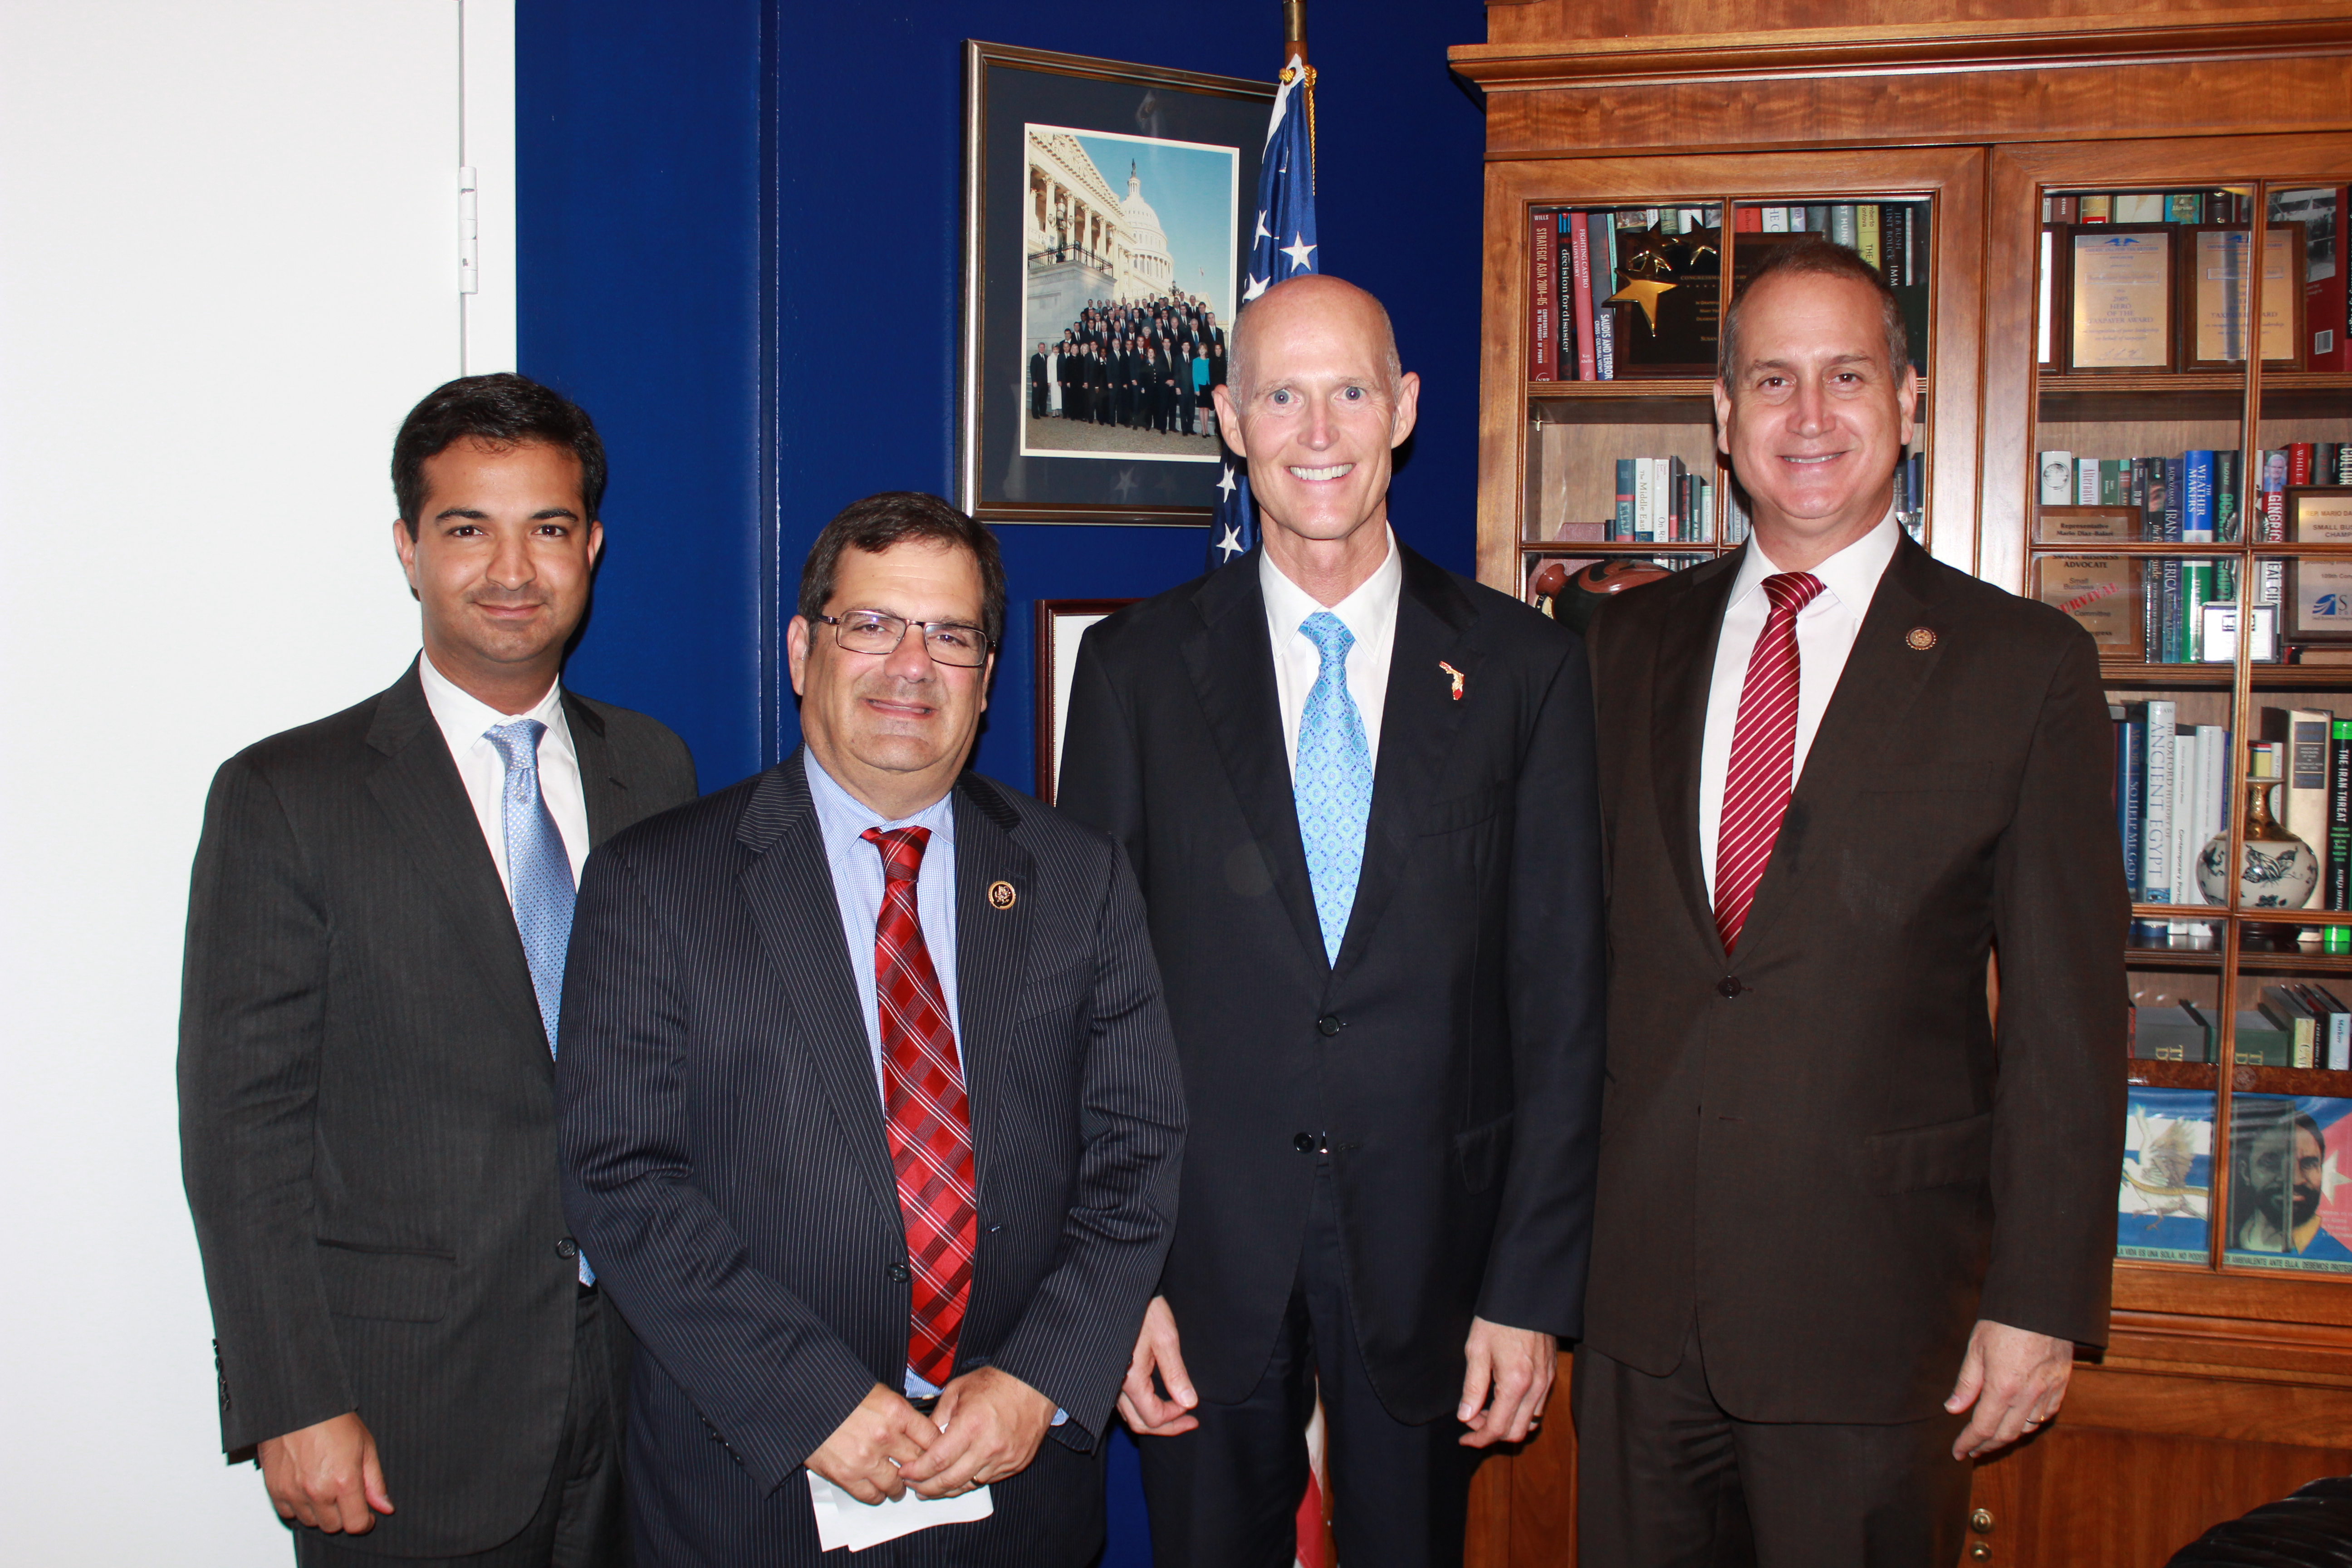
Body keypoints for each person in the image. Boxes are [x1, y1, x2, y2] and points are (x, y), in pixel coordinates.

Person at [1577, 235, 2127, 1565]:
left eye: (1847, 378)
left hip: (1878, 1329)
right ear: (1722, 417)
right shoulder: (1613, 649)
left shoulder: (2025, 668)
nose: (1809, 418)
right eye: (1771, 381)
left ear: (1911, 402)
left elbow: (2068, 1014)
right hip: (1642, 1320)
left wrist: (2040, 1303)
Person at [1058, 274, 1606, 1568]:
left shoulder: (1527, 672)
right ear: (1229, 419)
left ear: (1405, 409)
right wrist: (1113, 1278)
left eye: (1350, 391)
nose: (1319, 432)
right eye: (1282, 395)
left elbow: (1565, 1000)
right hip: (1198, 1259)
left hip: (1438, 1255)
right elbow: (1088, 1001)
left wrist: (1532, 1293)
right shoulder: (1136, 672)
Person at [555, 492, 1187, 1564]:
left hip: (1014, 1487)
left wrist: (1041, 1372)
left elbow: (1136, 1154)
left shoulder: (1078, 878)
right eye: (871, 624)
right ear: (803, 649)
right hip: (752, 1485)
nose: (911, 664)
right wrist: (809, 1400)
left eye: (950, 634)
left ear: (987, 678)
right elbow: (622, 1176)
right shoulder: (657, 882)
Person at [179, 373, 699, 1565]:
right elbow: (240, 1131)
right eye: (469, 528)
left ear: (593, 546)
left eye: (548, 528)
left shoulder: (653, 770)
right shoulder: (287, 799)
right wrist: (288, 1398)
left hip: (642, 1398)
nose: (511, 568)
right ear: (409, 549)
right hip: (405, 1414)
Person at [1029, 343, 1050, 420]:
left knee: (1043, 398)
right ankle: (1035, 414)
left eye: (1043, 347)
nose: (1042, 349)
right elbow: (1033, 370)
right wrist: (1034, 381)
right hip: (1037, 382)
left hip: (1045, 382)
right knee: (1036, 398)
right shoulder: (1035, 358)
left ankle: (1043, 412)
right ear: (1038, 348)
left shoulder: (1047, 358)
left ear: (1045, 348)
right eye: (1040, 347)